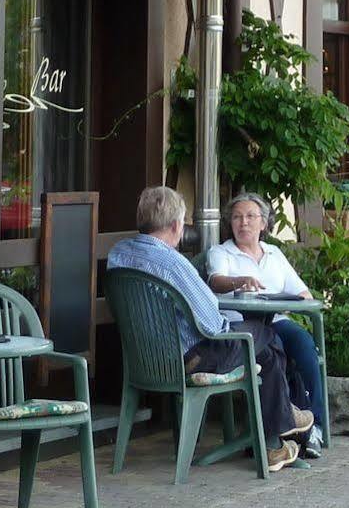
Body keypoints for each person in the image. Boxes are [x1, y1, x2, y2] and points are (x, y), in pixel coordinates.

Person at [108, 186, 312, 472]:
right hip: (191, 360)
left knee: (261, 341)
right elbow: (214, 324)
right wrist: (242, 329)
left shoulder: (118, 255)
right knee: (265, 338)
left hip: (145, 361)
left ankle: (281, 426)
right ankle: (277, 436)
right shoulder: (174, 264)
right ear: (177, 225)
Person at [204, 193, 328, 457]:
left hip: (277, 320)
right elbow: (216, 281)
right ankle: (287, 432)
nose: (243, 223)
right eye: (237, 217)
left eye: (250, 217)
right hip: (243, 325)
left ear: (264, 224)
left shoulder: (275, 253)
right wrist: (240, 282)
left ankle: (313, 424)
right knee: (278, 350)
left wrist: (290, 302)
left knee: (305, 346)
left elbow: (302, 293)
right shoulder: (222, 252)